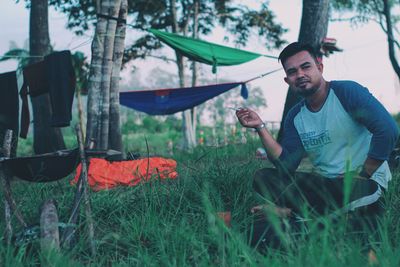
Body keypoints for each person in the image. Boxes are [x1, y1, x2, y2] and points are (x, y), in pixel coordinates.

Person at [236, 42, 399, 248]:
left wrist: (362, 174)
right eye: (293, 72)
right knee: (263, 177)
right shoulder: (296, 116)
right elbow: (286, 165)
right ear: (288, 80)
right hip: (326, 187)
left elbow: (388, 130)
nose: (300, 74)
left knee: (351, 190)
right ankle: (322, 217)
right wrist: (260, 127)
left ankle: (292, 213)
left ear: (319, 67)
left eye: (306, 67)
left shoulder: (347, 92)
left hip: (364, 183)